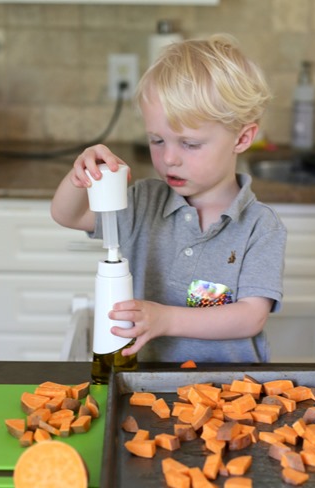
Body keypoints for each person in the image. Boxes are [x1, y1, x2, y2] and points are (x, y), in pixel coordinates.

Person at [50, 34, 286, 363]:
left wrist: (166, 319)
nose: (169, 158)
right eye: (157, 140)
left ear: (242, 138)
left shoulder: (261, 227)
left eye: (189, 144)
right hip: (144, 390)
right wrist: (81, 176)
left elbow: (251, 317)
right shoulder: (143, 203)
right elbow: (68, 215)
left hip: (230, 396)